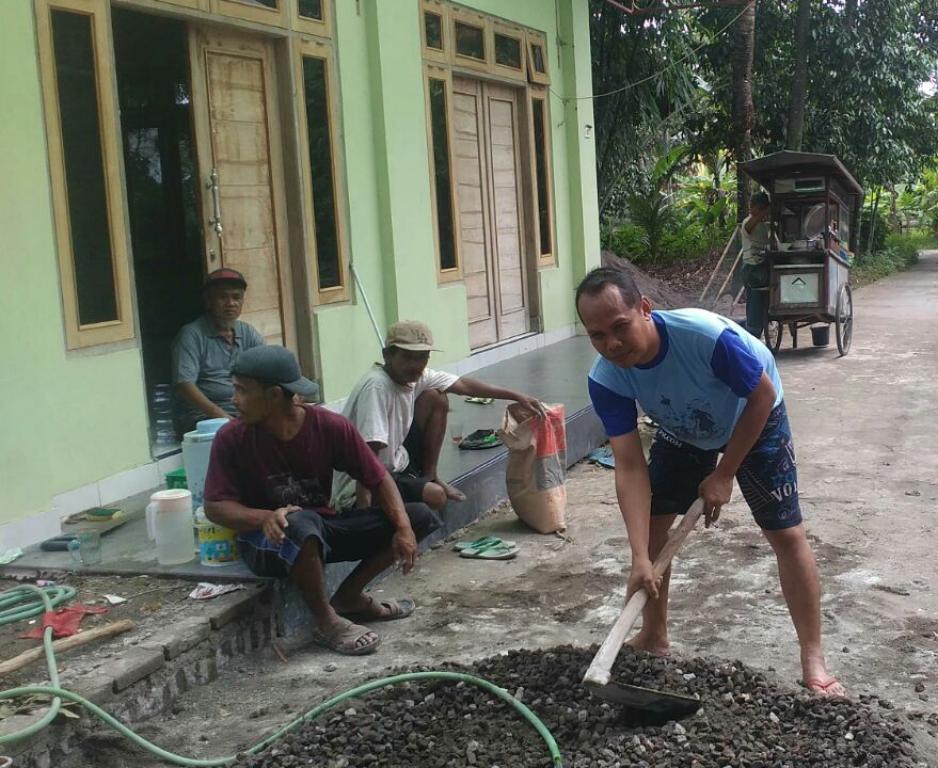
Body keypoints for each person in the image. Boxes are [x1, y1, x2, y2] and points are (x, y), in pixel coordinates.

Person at [575, 266, 844, 697]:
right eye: (597, 336)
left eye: (620, 327)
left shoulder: (705, 338)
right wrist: (639, 556)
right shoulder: (606, 378)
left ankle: (814, 659)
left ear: (645, 308)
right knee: (655, 528)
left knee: (786, 534)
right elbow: (628, 465)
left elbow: (762, 396)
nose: (612, 344)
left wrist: (723, 474)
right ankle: (654, 636)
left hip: (752, 416)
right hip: (684, 429)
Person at [203, 345, 439, 656]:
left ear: (274, 395)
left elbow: (378, 478)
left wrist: (404, 528)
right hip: (266, 541)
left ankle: (349, 598)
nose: (234, 400)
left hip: (319, 529)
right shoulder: (231, 438)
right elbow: (215, 506)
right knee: (299, 523)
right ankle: (326, 621)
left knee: (419, 515)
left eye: (242, 391)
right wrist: (263, 517)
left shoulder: (327, 426)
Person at [333, 320, 543, 513]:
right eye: (408, 357)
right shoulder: (377, 386)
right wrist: (364, 511)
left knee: (436, 397)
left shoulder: (415, 377)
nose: (416, 365)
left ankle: (430, 475)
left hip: (396, 463)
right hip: (366, 481)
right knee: (436, 497)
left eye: (422, 357)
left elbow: (464, 386)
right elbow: (367, 455)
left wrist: (516, 395)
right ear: (388, 355)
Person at [171, 268, 265, 434]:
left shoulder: (247, 332)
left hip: (242, 411)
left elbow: (269, 367)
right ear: (208, 301)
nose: (231, 303)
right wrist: (224, 418)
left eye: (236, 297)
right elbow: (184, 385)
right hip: (203, 417)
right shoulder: (191, 334)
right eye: (223, 297)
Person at [739, 191, 776, 338]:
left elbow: (772, 243)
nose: (751, 209)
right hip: (752, 268)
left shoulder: (764, 226)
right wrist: (765, 212)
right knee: (754, 302)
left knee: (763, 299)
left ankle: (761, 324)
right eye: (753, 207)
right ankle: (753, 332)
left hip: (763, 266)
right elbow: (749, 226)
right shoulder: (748, 222)